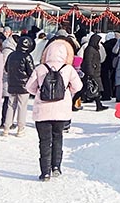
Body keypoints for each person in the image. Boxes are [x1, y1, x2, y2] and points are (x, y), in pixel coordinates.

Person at [25, 37, 83, 181]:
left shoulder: (40, 68)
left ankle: (45, 172)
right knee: (58, 137)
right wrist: (67, 91)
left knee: (44, 141)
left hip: (42, 111)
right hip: (61, 111)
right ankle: (56, 166)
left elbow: (29, 87)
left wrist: (40, 91)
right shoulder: (68, 69)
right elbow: (78, 86)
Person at [5, 34, 36, 133]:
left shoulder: (11, 55)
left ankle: (6, 127)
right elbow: (31, 71)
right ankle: (20, 128)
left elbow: (6, 68)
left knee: (10, 105)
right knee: (22, 107)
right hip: (24, 85)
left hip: (12, 83)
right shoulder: (27, 56)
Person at [81, 34, 107, 111]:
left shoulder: (93, 48)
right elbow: (88, 62)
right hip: (92, 72)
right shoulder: (90, 49)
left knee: (92, 88)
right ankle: (99, 105)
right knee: (94, 88)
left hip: (95, 71)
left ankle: (99, 105)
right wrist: (90, 73)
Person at [0, 30, 17, 131]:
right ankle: (5, 121)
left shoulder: (8, 47)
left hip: (7, 78)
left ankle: (6, 121)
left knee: (8, 101)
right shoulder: (8, 50)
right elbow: (5, 66)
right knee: (8, 101)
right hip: (7, 79)